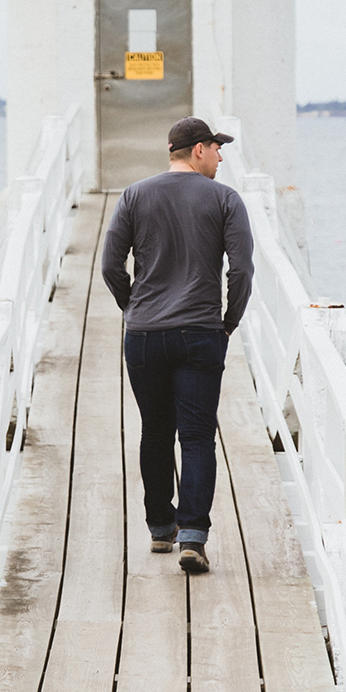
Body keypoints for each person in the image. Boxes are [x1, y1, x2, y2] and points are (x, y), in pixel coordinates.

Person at [101, 115, 254, 574]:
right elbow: (241, 270)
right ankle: (193, 536)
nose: (222, 157)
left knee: (154, 430)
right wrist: (228, 321)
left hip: (145, 335)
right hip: (201, 333)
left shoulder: (134, 195)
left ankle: (159, 528)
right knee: (197, 436)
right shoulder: (225, 199)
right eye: (217, 148)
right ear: (198, 149)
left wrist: (134, 310)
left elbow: (111, 264)